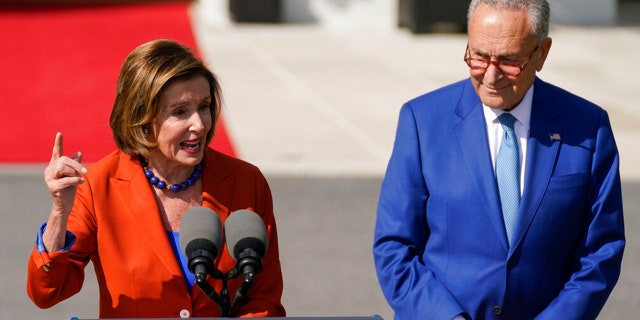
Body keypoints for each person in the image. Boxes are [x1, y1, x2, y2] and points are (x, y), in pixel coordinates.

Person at [372, 1, 625, 319]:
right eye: (478, 56)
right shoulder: (422, 122)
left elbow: (600, 252)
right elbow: (394, 247)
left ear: (541, 53)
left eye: (509, 61)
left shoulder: (587, 128)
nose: (491, 76)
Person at [27, 39, 286, 318]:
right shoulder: (99, 186)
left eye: (204, 106)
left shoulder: (246, 182)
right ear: (142, 118)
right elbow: (47, 292)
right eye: (180, 112)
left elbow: (263, 301)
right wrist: (59, 212)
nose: (199, 124)